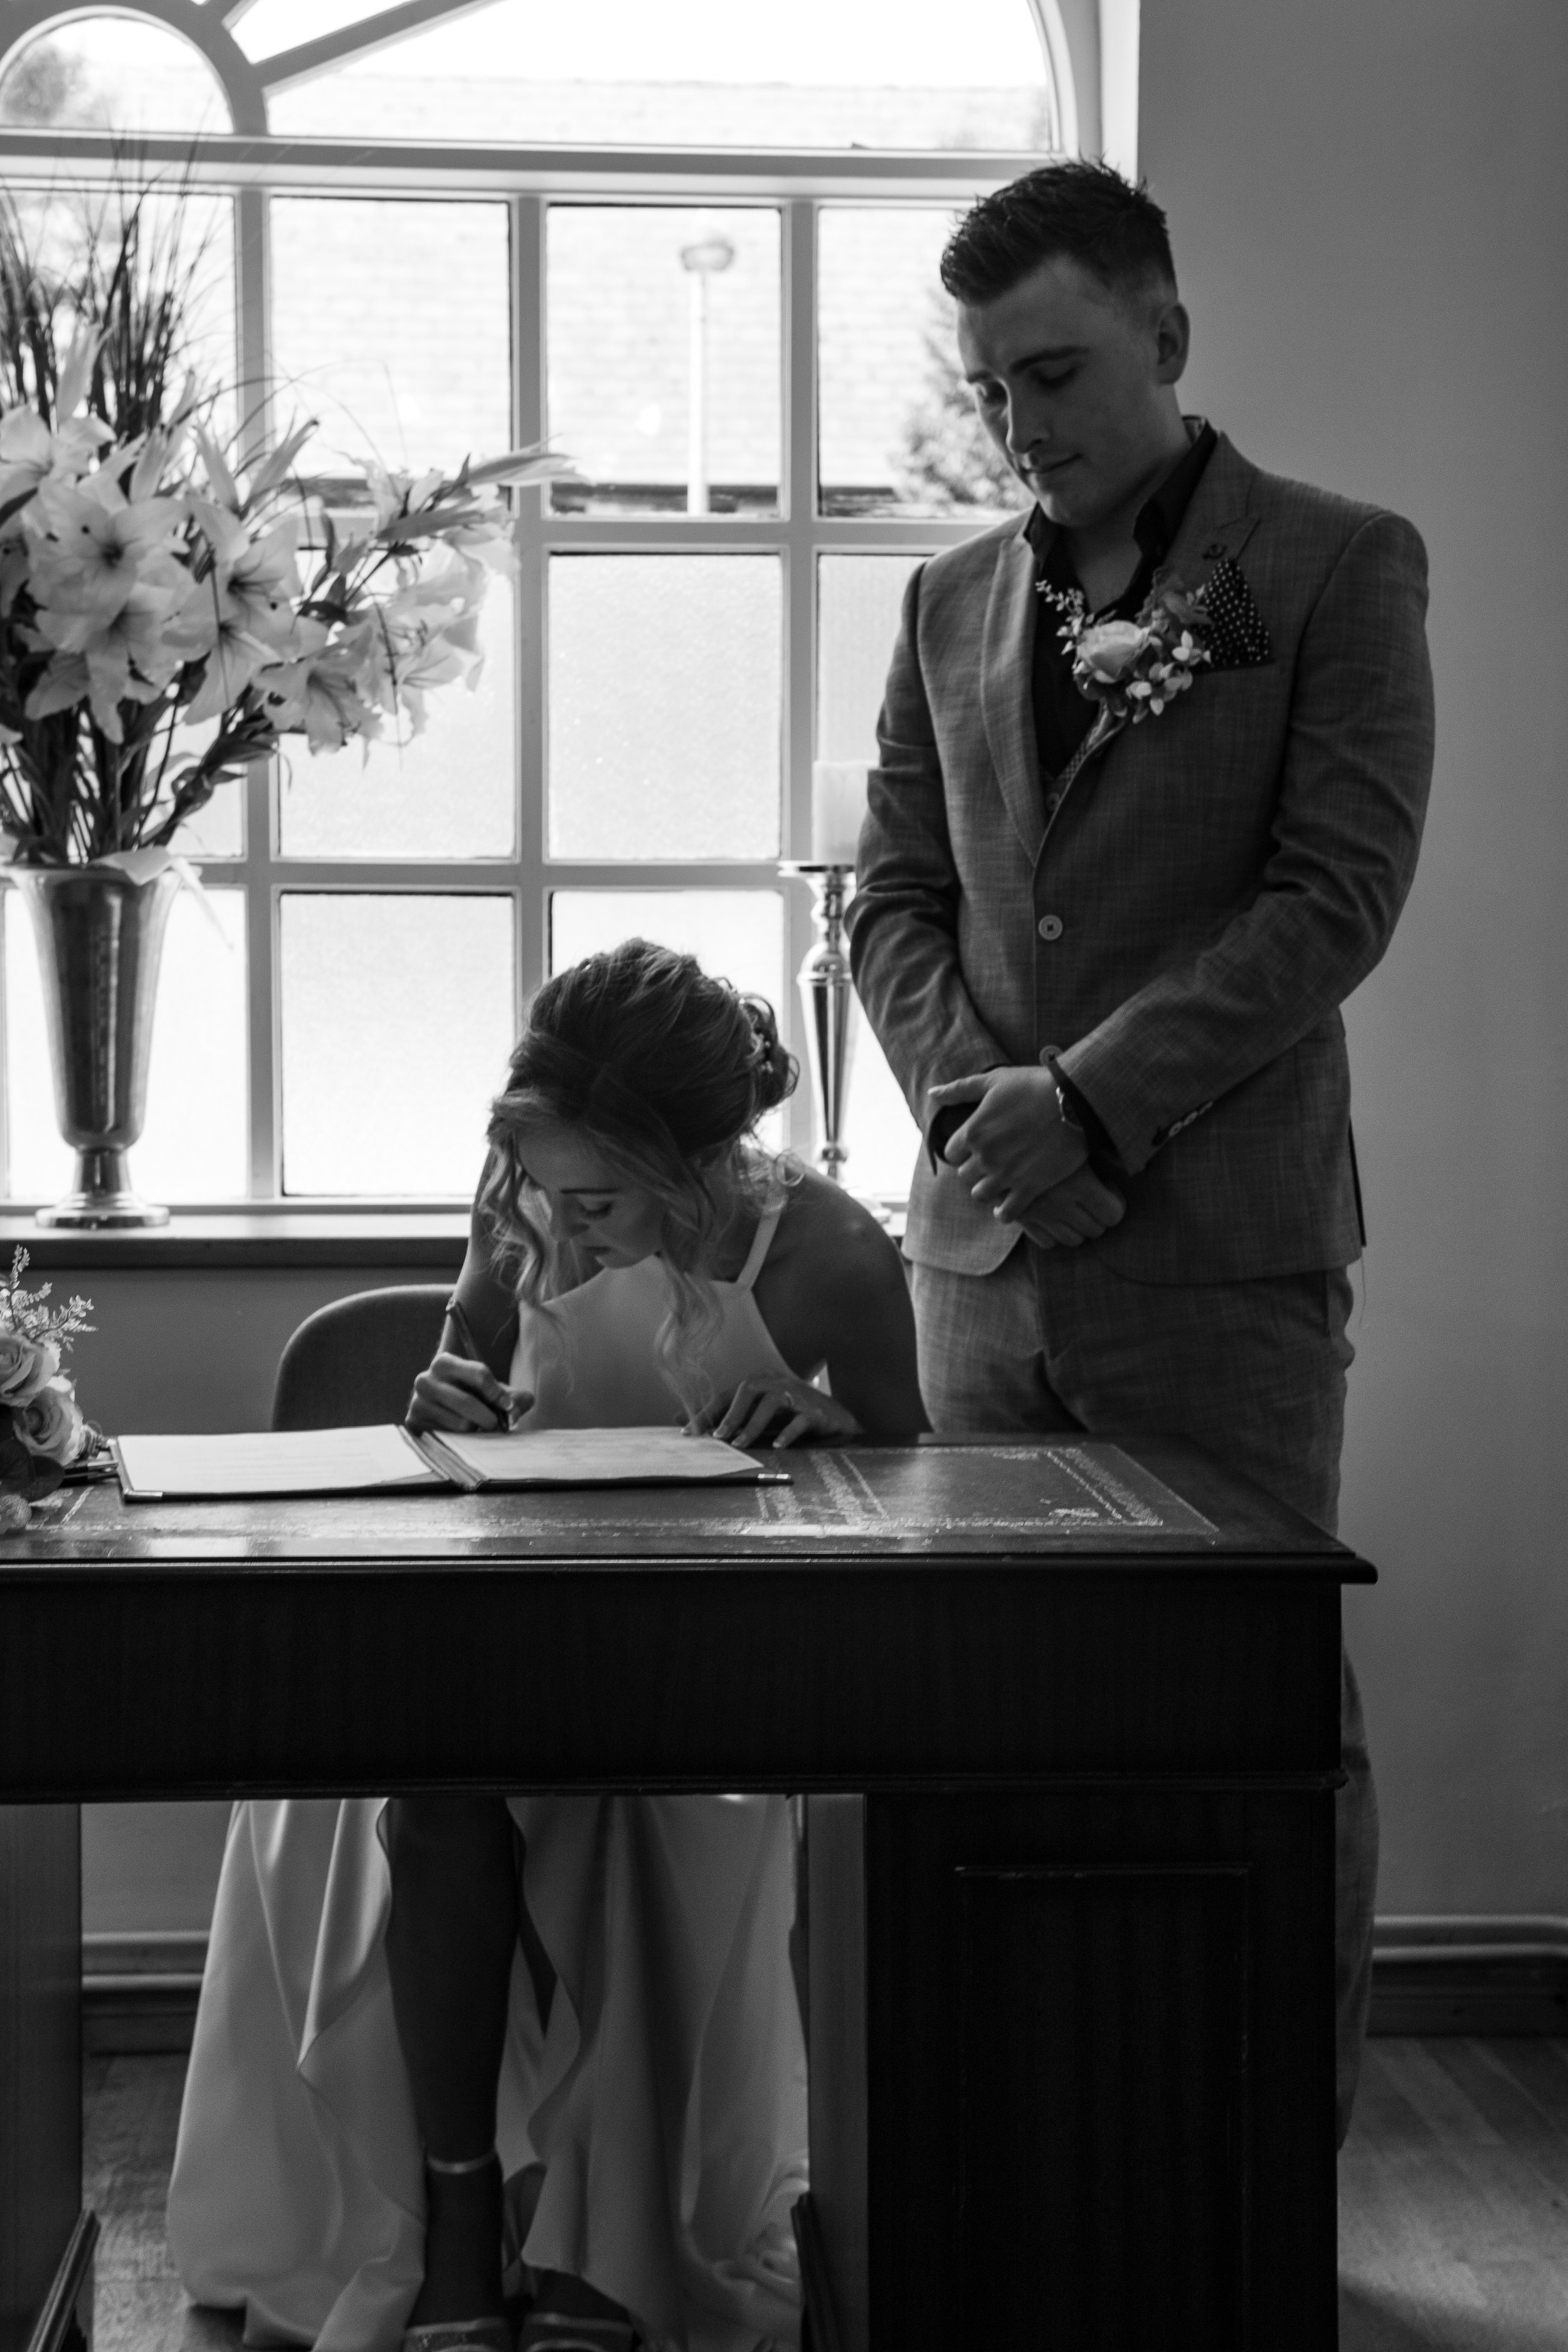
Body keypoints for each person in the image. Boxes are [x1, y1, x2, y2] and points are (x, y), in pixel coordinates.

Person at [848, 161, 1434, 2146]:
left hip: (1221, 1270)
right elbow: (891, 903)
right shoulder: (941, 602)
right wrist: (986, 1122)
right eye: (993, 388)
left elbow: (1335, 894)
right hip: (979, 1276)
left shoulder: (1339, 566)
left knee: (1255, 1724)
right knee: (993, 1717)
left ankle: (1259, 2168)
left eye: (1058, 370)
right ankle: (1024, 2151)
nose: (1025, 423)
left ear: (1168, 341)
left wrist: (1087, 1099)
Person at [168, 940, 926, 2352]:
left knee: (619, 1823)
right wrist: (439, 1389)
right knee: (433, 1792)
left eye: (599, 1204)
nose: (557, 1238)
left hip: (700, 1658)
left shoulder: (825, 1252)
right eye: (542, 1196)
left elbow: (914, 1479)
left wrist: (837, 1439)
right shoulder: (519, 1194)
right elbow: (447, 1400)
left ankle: (602, 2244)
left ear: (704, 1164)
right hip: (494, 1609)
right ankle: (455, 2219)